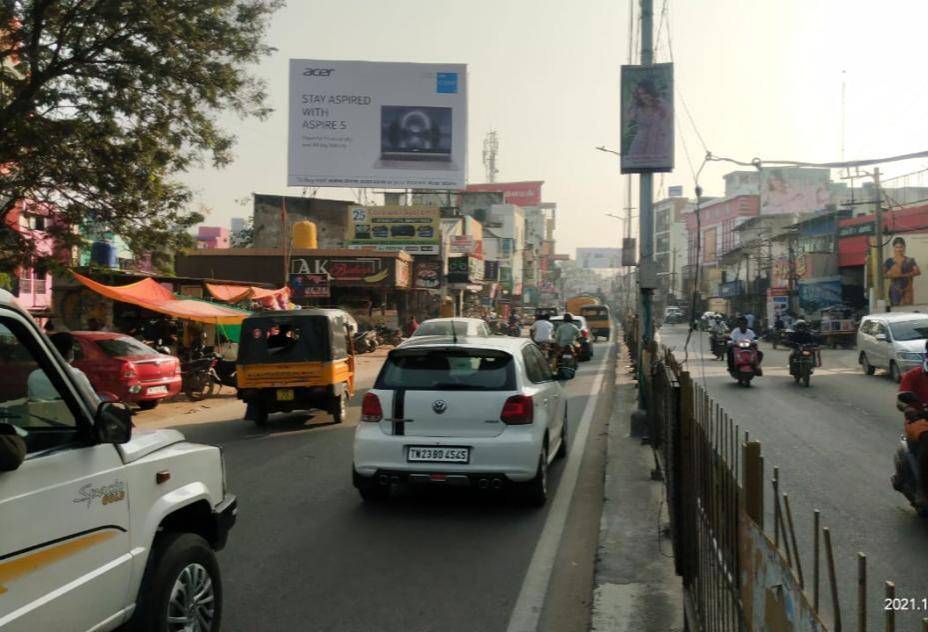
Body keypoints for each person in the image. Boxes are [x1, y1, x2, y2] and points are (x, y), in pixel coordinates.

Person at [898, 343, 928, 507]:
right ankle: (922, 490)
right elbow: (900, 399)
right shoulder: (914, 375)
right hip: (920, 420)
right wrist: (909, 408)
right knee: (927, 438)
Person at [28, 332, 95, 400]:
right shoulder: (76, 375)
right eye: (73, 348)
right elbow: (94, 402)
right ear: (69, 351)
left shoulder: (34, 376)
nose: (74, 351)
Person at [884, 236, 921, 306]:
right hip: (895, 289)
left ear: (904, 247)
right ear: (894, 248)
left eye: (901, 247)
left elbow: (918, 272)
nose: (899, 249)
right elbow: (882, 275)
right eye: (897, 247)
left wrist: (903, 275)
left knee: (908, 310)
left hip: (908, 289)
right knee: (896, 311)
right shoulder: (889, 261)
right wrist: (890, 275)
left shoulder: (910, 260)